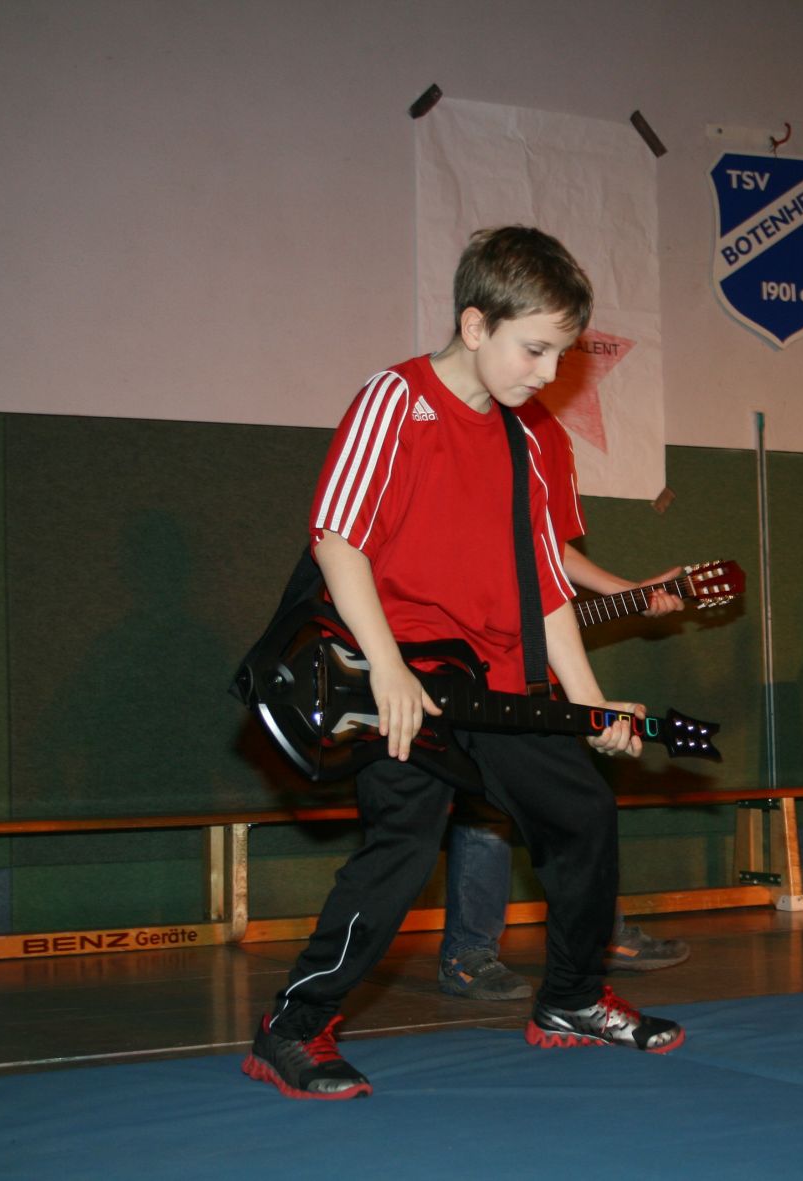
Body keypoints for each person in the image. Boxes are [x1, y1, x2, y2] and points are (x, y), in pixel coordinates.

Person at [242, 226, 683, 1101]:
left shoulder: (522, 441)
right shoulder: (395, 401)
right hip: (393, 675)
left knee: (583, 810)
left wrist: (591, 702)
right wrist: (389, 667)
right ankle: (291, 1026)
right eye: (534, 349)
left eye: (560, 355)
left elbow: (547, 589)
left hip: (492, 683)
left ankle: (571, 998)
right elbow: (337, 540)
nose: (547, 372)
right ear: (475, 324)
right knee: (405, 846)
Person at [439, 538, 690, 1002]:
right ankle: (468, 952)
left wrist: (628, 592)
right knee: (483, 811)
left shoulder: (544, 487)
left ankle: (598, 935)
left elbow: (546, 548)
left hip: (535, 680)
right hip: (462, 672)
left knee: (580, 804)